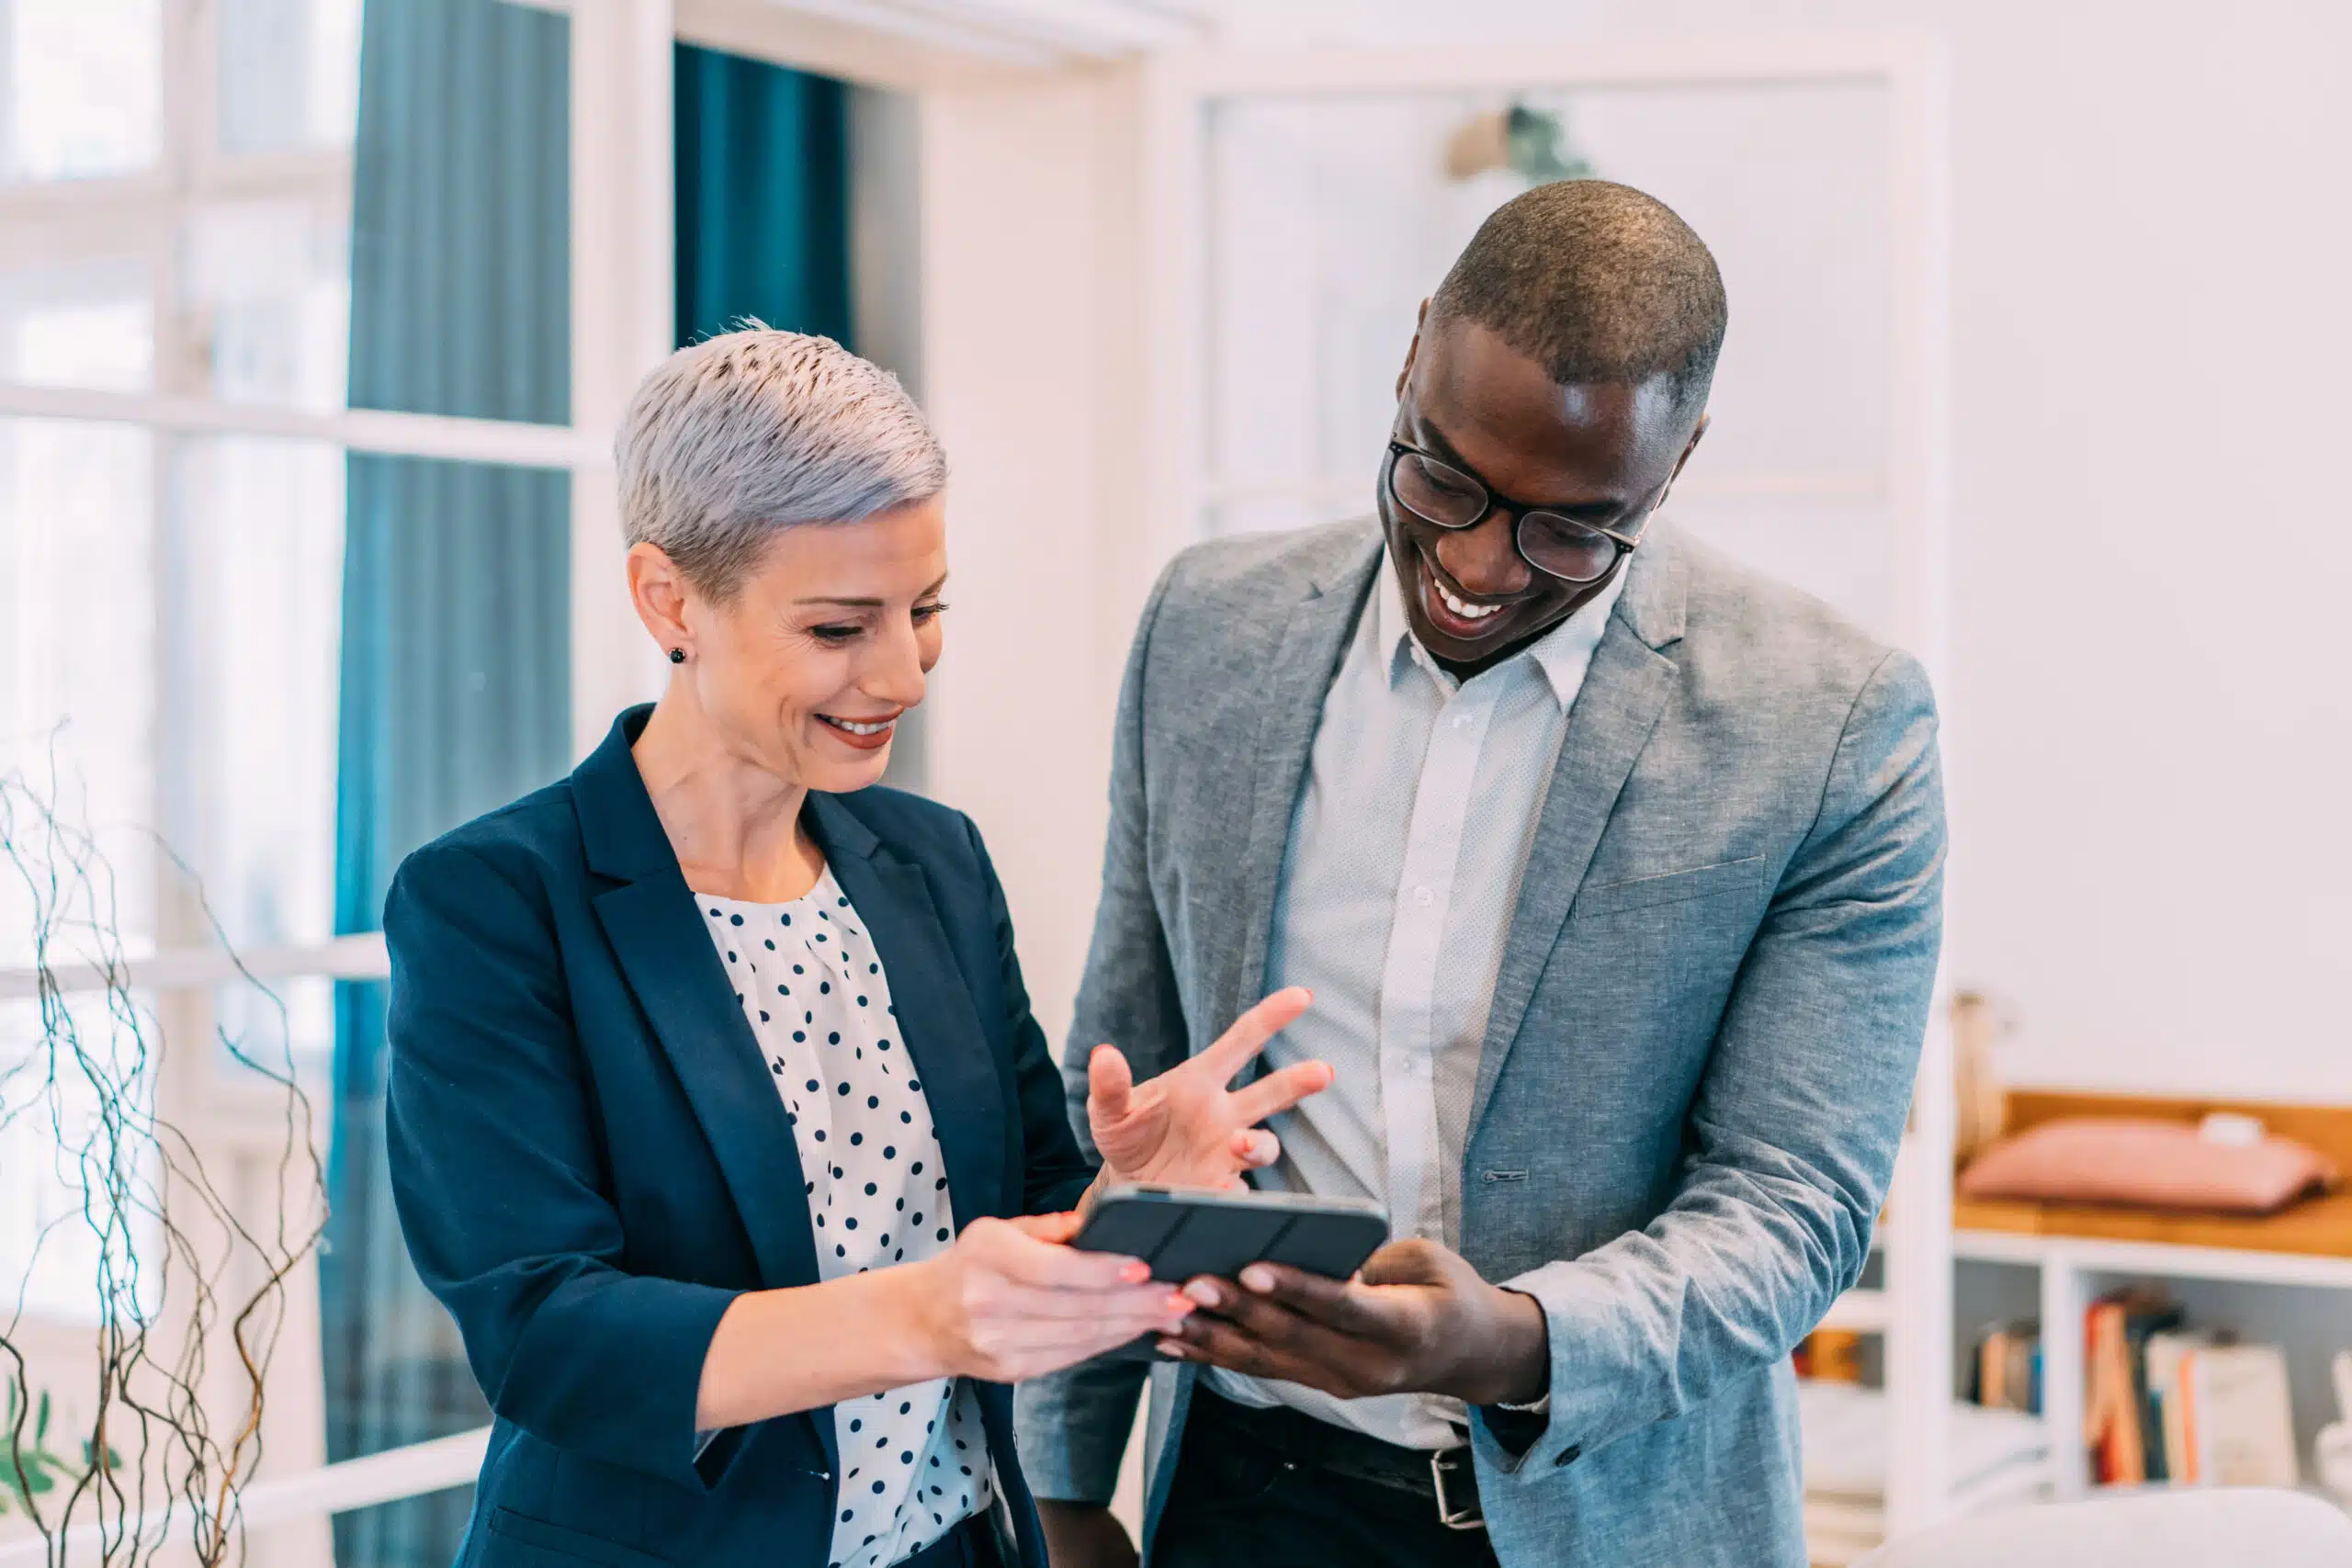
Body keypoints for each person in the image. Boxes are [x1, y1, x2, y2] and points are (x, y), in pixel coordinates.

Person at [1019, 180, 1947, 1568]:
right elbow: (1133, 1074)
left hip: (1611, 1515)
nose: (1471, 564)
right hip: (1243, 1497)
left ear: (1677, 462)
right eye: (1439, 476)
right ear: (1408, 360)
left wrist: (1506, 1339)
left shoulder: (1830, 725)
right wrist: (1064, 1482)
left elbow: (1790, 1203)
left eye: (1570, 529)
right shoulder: (1206, 632)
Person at [382, 330, 1332, 1568]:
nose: (903, 671)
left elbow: (1024, 1225)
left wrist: (1129, 1201)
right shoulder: (493, 903)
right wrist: (924, 1317)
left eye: (926, 609)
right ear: (670, 600)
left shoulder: (933, 863)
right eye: (839, 627)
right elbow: (547, 1335)